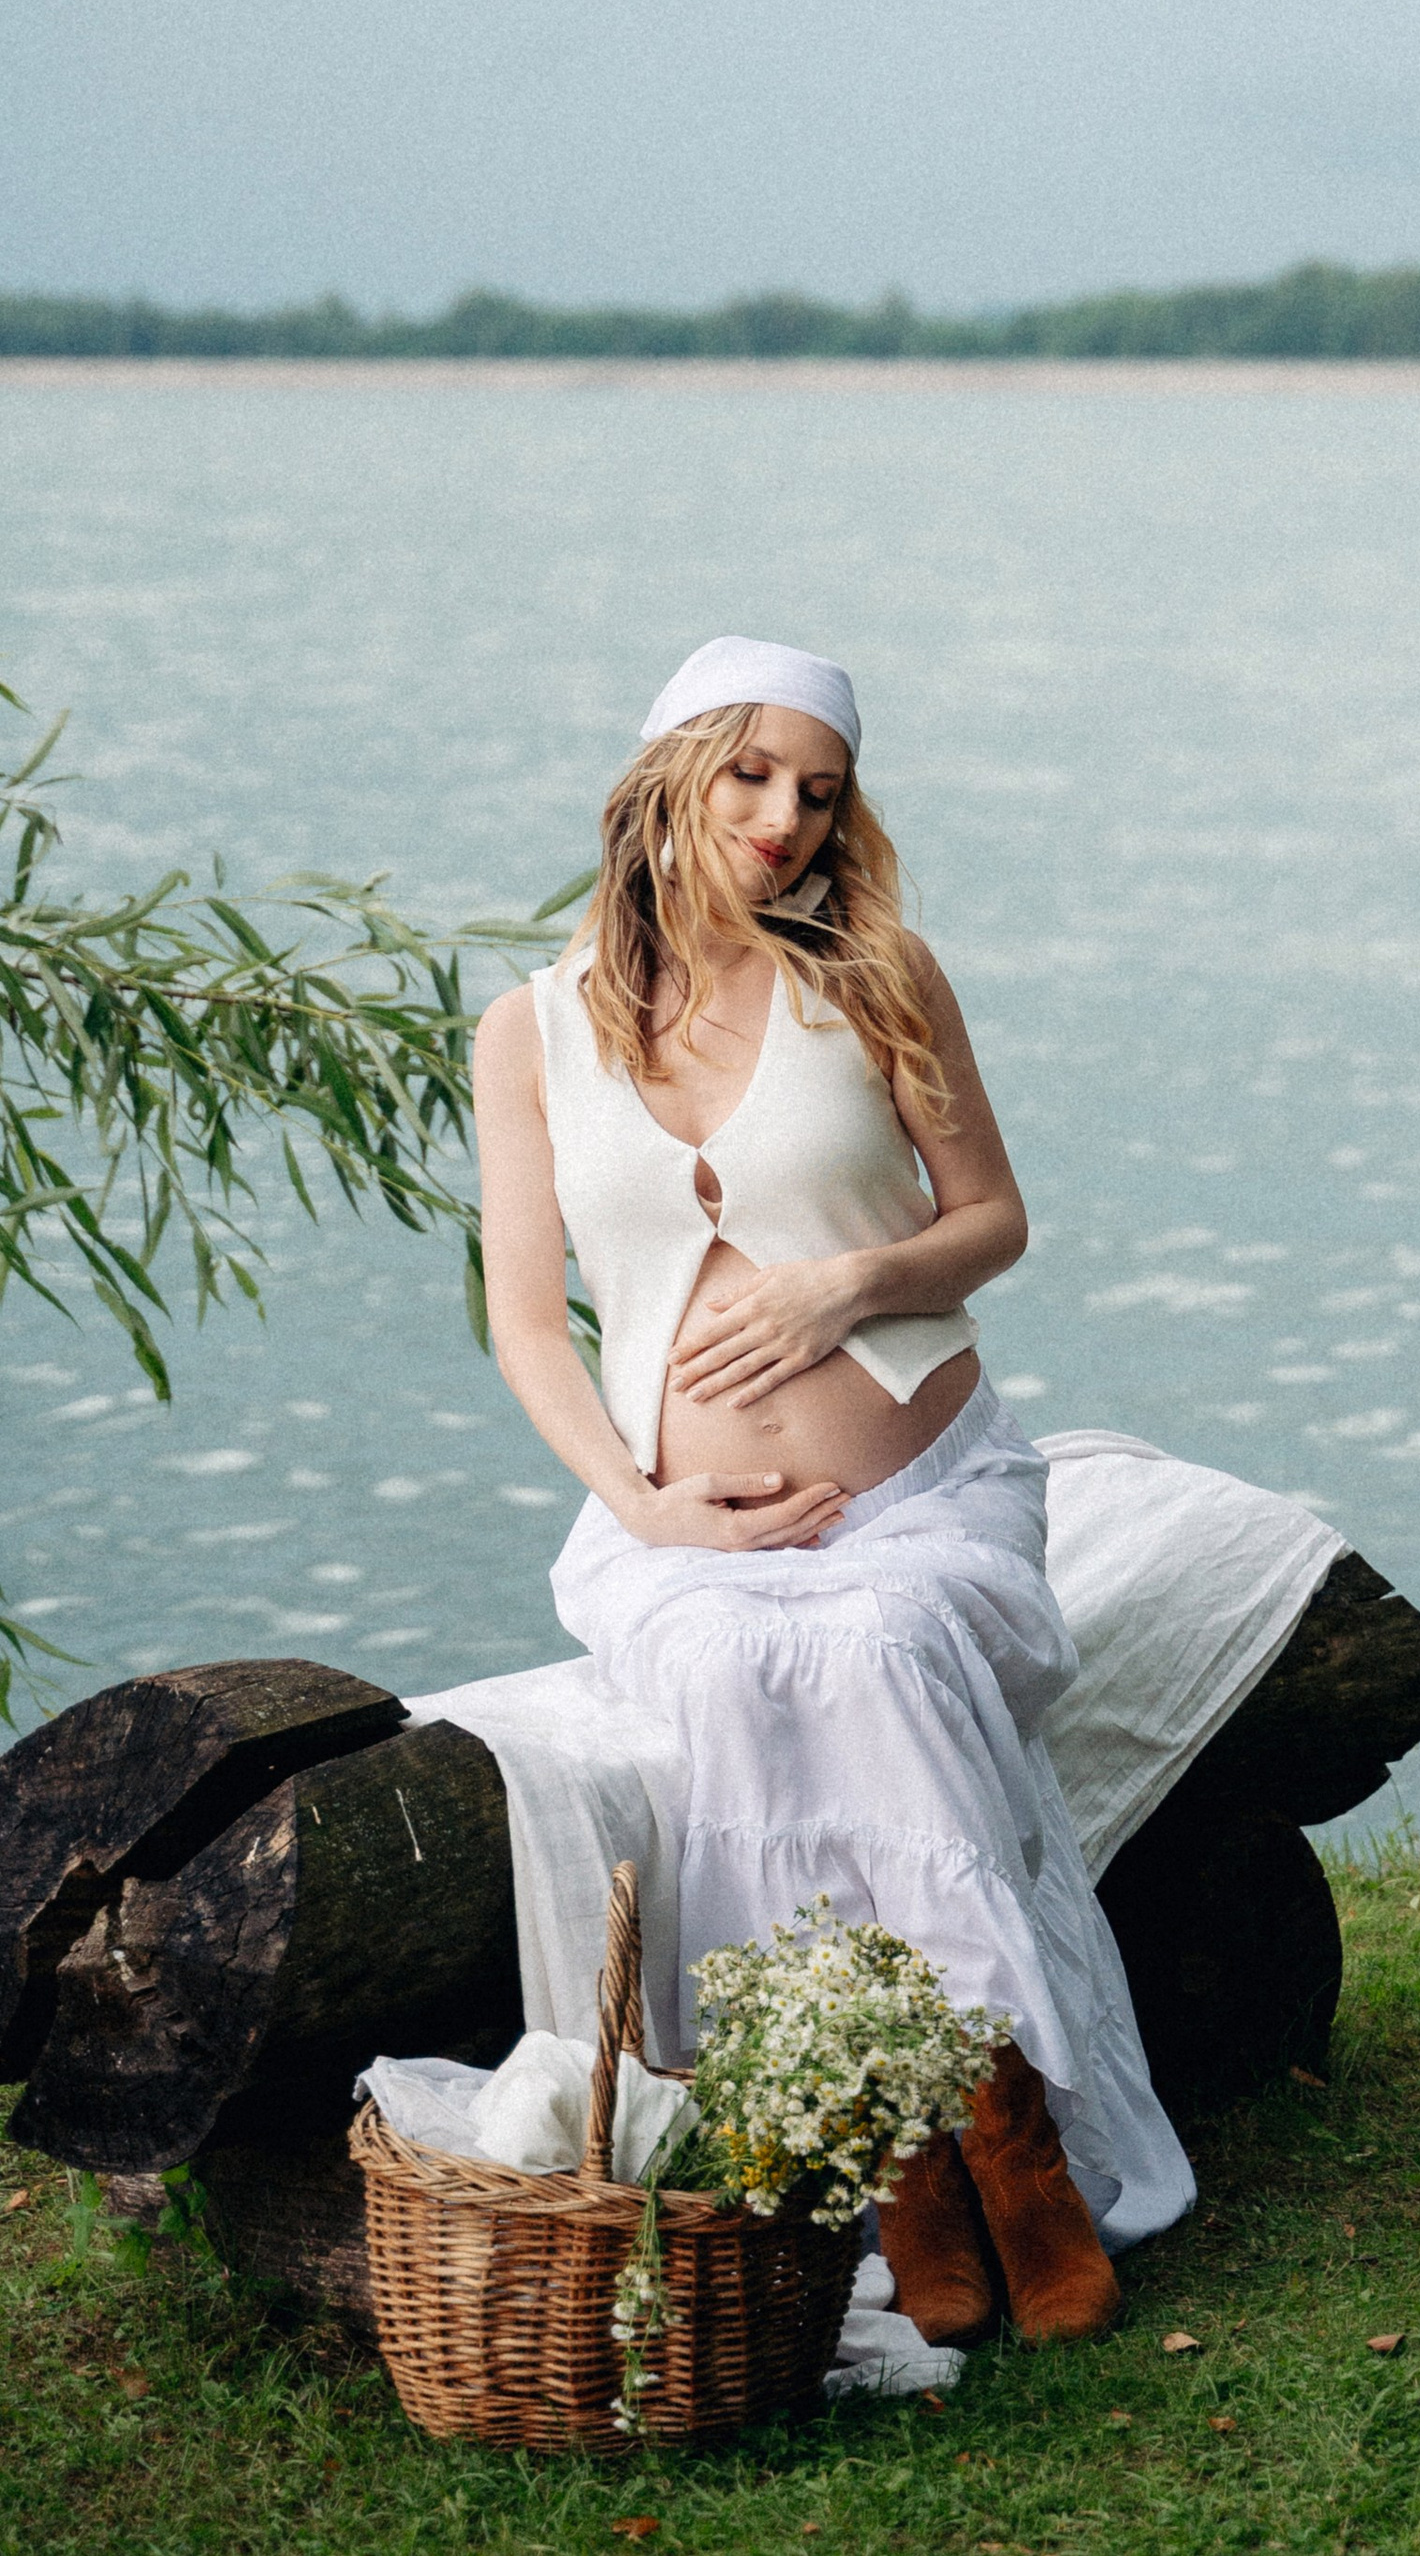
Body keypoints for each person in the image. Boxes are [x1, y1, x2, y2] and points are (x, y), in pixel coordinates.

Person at [472, 633, 1191, 2344]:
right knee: (723, 1677)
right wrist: (641, 1507)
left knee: (879, 1647)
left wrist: (839, 1289)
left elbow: (993, 1220)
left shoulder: (878, 975)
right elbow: (521, 1317)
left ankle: (1009, 2135)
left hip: (923, 1495)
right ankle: (887, 2157)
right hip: (687, 1529)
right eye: (750, 776)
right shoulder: (531, 1029)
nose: (785, 819)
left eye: (819, 789)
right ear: (667, 773)